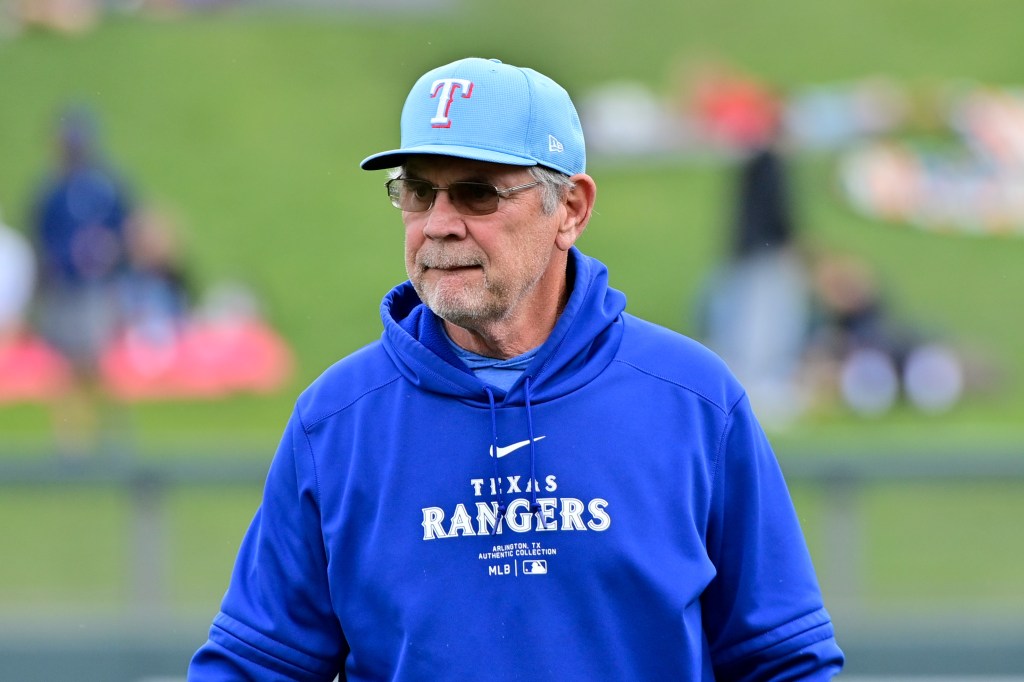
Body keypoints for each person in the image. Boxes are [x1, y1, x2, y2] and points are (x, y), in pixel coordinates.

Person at [189, 57, 844, 680]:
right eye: (418, 192)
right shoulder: (336, 421)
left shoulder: (695, 401)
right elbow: (256, 666)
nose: (438, 225)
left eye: (476, 194)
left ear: (571, 210)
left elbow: (783, 660)